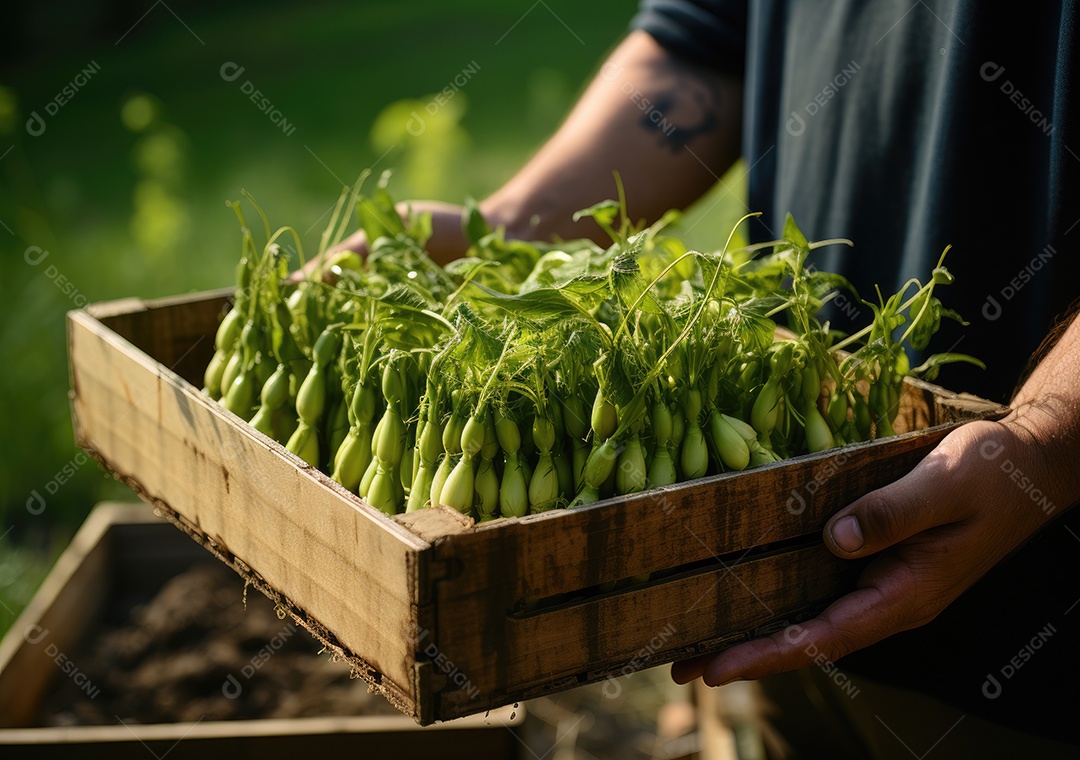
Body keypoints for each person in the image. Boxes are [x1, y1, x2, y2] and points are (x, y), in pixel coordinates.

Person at [330, 2, 1080, 754]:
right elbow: (704, 43)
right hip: (767, 566)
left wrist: (1050, 436)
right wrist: (507, 232)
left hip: (1032, 623)